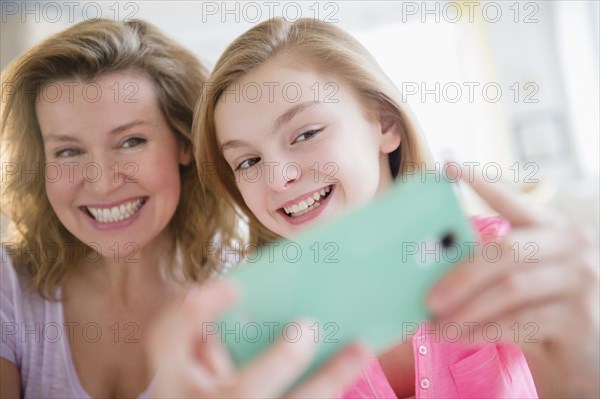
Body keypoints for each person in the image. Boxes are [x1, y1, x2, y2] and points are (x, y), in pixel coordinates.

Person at [195, 17, 600, 398]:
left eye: (306, 133)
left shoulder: (500, 261)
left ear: (385, 125)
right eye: (247, 162)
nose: (276, 178)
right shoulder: (256, 340)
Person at [0, 18, 370, 398]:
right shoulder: (8, 285)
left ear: (183, 143)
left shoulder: (247, 299)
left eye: (130, 141)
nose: (103, 181)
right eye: (68, 151)